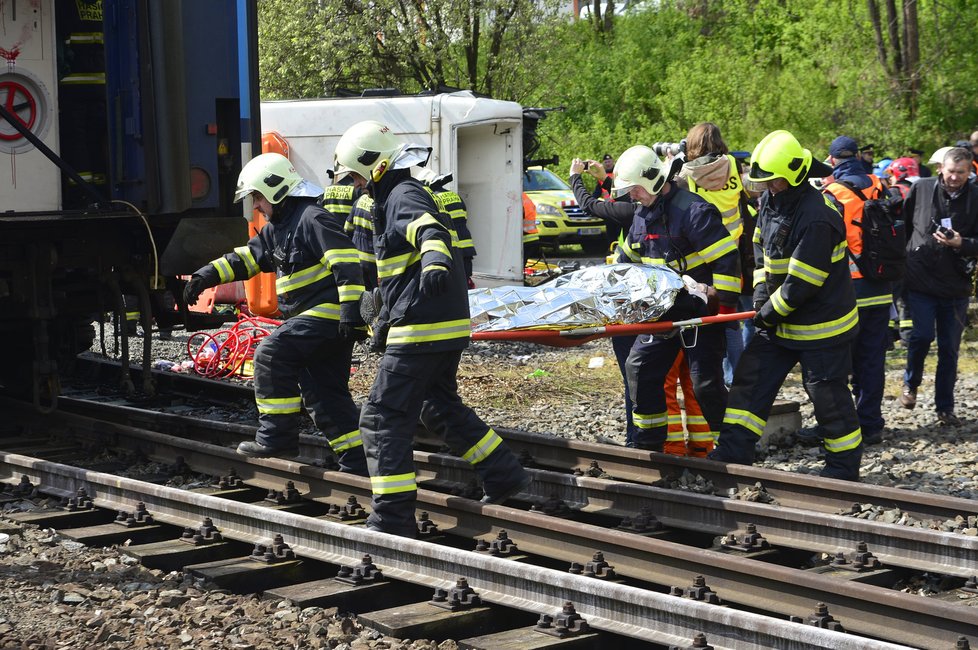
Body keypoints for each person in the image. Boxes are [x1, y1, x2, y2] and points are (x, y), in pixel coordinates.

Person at [333, 120, 529, 537]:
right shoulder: (393, 195)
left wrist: (435, 259)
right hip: (441, 323)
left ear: (376, 167)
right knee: (437, 405)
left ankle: (392, 517)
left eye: (355, 175)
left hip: (421, 326)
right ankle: (503, 473)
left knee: (381, 417)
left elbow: (430, 232)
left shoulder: (402, 195)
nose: (354, 185)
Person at [183, 153, 370, 474]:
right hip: (316, 322)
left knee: (270, 354)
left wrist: (352, 315)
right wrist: (207, 274)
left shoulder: (312, 218)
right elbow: (248, 258)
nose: (255, 206)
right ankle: (358, 464)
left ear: (275, 190)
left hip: (327, 316)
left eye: (257, 197)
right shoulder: (280, 227)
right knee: (324, 397)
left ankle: (278, 435)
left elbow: (347, 263)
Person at [708, 130, 863, 481]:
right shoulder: (772, 202)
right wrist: (761, 293)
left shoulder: (818, 214)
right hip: (778, 320)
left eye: (774, 182)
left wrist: (767, 313)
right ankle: (733, 452)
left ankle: (843, 470)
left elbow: (803, 282)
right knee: (750, 383)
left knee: (828, 399)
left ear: (793, 175)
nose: (769, 188)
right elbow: (761, 250)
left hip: (822, 327)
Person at [606, 145, 740, 453]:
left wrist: (724, 310)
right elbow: (627, 260)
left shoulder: (694, 211)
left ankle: (730, 446)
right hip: (662, 313)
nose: (632, 197)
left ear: (651, 181)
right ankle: (649, 444)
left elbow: (726, 262)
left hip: (699, 315)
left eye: (635, 189)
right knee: (640, 368)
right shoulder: (642, 214)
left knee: (704, 383)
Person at [818, 136, 893, 446]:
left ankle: (842, 427)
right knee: (872, 360)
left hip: (848, 291)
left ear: (833, 160)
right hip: (882, 285)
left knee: (838, 363)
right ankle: (871, 424)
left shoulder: (832, 192)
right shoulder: (879, 183)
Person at [898, 147, 978, 426]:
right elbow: (904, 227)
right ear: (940, 168)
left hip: (955, 286)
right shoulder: (921, 189)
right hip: (919, 279)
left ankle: (945, 407)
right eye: (951, 171)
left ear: (970, 172)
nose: (955, 177)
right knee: (919, 337)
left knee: (949, 348)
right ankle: (911, 384)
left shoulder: (976, 197)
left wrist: (962, 244)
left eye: (961, 172)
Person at [677, 122, 755, 388]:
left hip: (703, 255)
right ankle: (741, 378)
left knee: (706, 320)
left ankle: (716, 379)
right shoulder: (733, 164)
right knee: (730, 320)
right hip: (732, 253)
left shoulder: (686, 173)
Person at [569, 157, 639, 445]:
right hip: (639, 299)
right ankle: (646, 437)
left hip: (632, 303)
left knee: (632, 374)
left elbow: (592, 206)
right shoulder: (651, 205)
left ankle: (638, 438)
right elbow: (619, 201)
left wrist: (575, 177)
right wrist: (604, 179)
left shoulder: (632, 210)